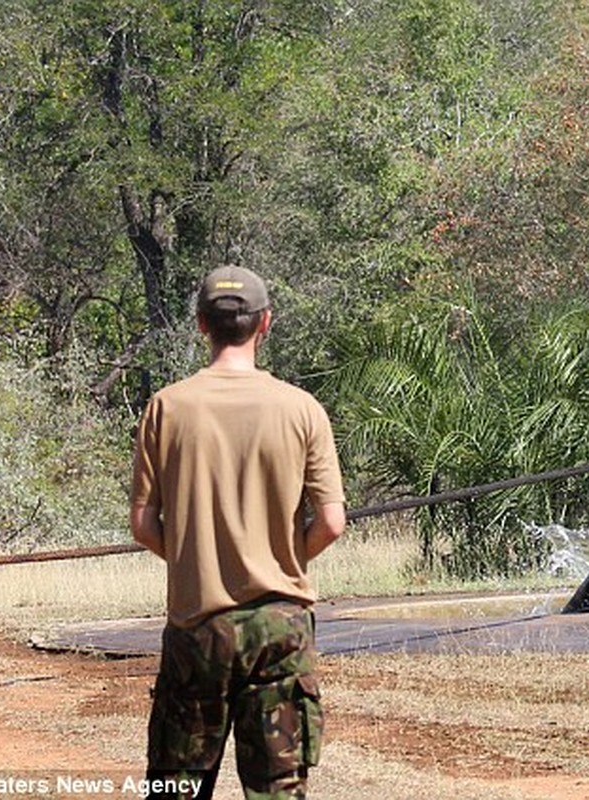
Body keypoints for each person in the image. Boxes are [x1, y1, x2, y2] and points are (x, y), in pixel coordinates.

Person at [130, 265, 347, 798]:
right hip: (280, 627)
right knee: (277, 789)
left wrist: (197, 560)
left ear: (202, 324)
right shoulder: (302, 409)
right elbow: (332, 522)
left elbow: (142, 524)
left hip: (196, 627)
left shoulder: (166, 407)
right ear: (265, 323)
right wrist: (282, 560)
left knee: (174, 788)